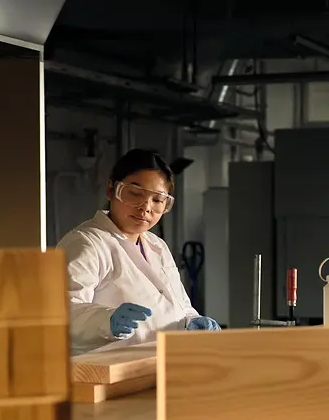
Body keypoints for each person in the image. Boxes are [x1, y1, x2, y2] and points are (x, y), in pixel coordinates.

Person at [57, 148, 220, 355]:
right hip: (106, 374)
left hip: (157, 366)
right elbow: (61, 313)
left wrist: (191, 320)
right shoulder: (86, 243)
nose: (145, 208)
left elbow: (177, 304)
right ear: (110, 190)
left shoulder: (157, 245)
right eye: (134, 193)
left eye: (158, 200)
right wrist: (108, 321)